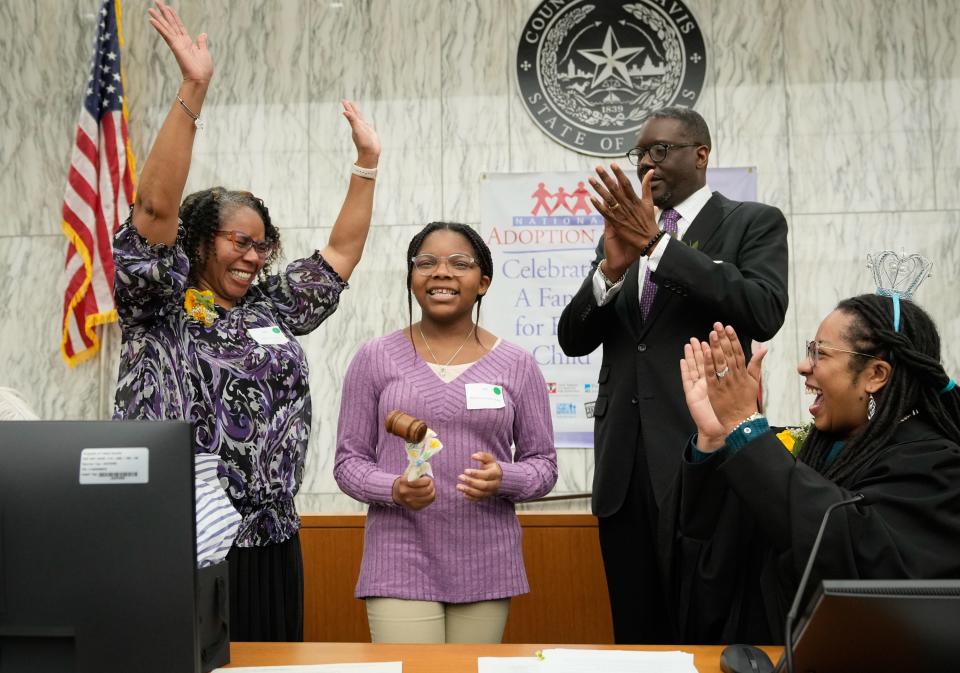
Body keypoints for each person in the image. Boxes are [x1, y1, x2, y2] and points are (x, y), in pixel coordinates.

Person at [112, 1, 380, 641]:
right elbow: (152, 209)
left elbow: (339, 255)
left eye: (263, 246)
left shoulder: (271, 307)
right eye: (240, 241)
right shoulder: (158, 301)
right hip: (180, 534)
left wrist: (367, 163)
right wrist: (192, 91)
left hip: (270, 535)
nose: (254, 256)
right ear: (200, 238)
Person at [556, 106, 789, 643]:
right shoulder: (625, 236)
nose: (646, 164)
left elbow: (763, 309)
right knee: (635, 634)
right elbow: (574, 339)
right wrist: (610, 269)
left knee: (704, 626)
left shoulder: (751, 222)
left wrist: (659, 247)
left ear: (701, 155)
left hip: (703, 459)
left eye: (659, 151)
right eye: (639, 154)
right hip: (623, 470)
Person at [659, 296, 960, 644]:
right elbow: (726, 553)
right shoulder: (815, 447)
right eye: (809, 350)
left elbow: (847, 556)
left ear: (875, 375)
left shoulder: (935, 467)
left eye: (821, 353)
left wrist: (746, 427)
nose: (804, 366)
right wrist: (715, 438)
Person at [334, 222, 558, 644]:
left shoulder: (517, 364)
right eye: (426, 263)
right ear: (411, 278)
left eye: (460, 263)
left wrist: (503, 478)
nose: (441, 272)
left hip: (486, 557)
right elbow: (348, 464)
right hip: (399, 554)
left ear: (483, 283)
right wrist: (394, 488)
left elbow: (544, 466)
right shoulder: (374, 358)